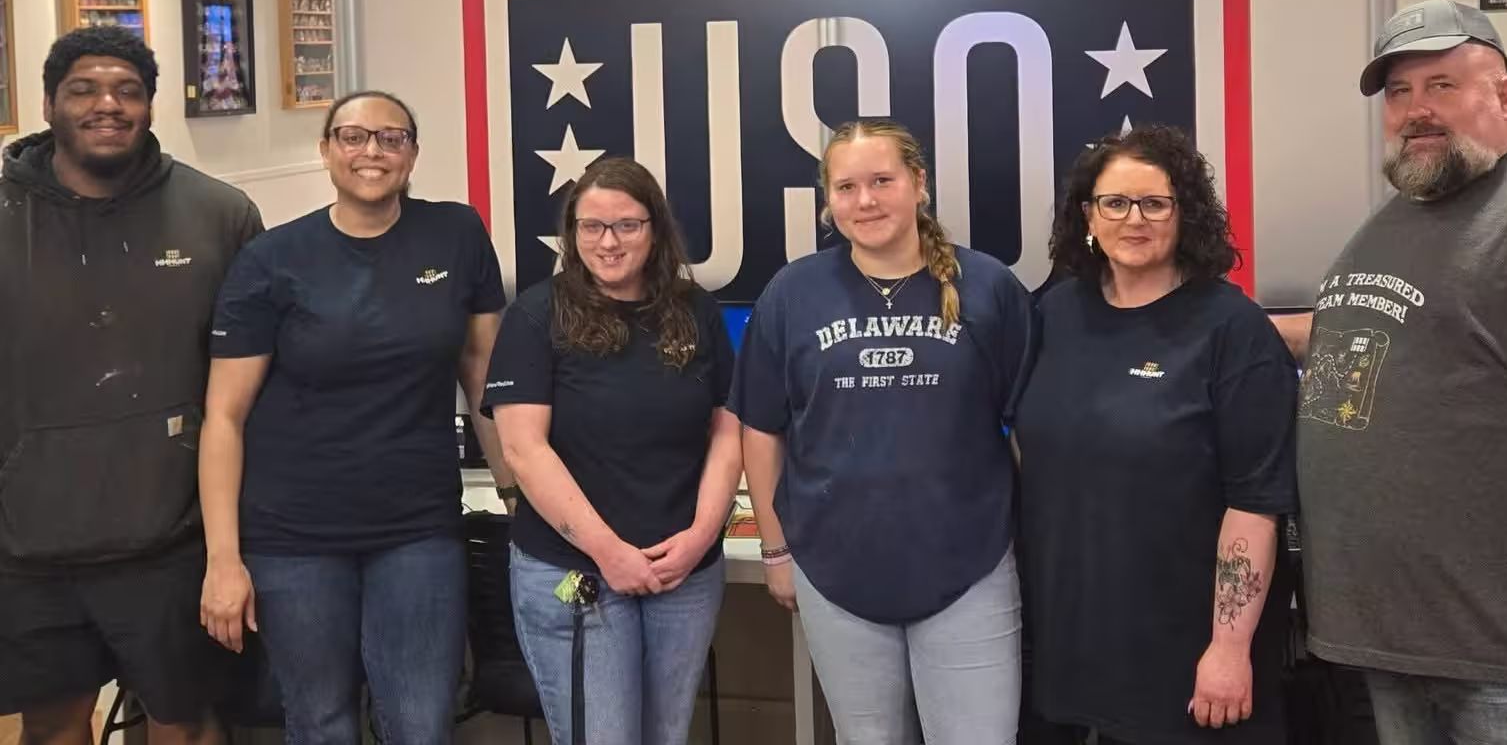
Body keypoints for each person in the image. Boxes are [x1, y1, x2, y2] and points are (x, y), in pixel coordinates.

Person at [196, 91, 506, 745]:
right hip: (293, 538)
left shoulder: (456, 234)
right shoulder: (272, 260)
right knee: (320, 722)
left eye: (391, 138)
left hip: (418, 528)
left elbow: (483, 374)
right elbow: (223, 416)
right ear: (327, 150)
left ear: (413, 153)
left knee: (421, 725)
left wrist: (516, 492)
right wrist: (224, 558)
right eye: (354, 136)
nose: (373, 151)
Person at [730, 119, 1034, 744]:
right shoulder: (792, 294)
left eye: (882, 181)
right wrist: (776, 549)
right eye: (846, 187)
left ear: (919, 184)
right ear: (827, 200)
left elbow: (1031, 423)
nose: (865, 201)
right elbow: (761, 430)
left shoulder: (989, 288)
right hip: (835, 569)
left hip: (968, 567)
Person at [0, 26, 262, 745]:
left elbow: (252, 384)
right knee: (51, 726)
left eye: (127, 91)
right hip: (27, 545)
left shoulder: (221, 215)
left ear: (150, 106)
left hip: (173, 540)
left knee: (184, 723)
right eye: (83, 89)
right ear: (49, 103)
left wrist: (230, 546)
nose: (106, 105)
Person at [1295, 0, 1507, 743]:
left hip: (1498, 653)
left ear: (1503, 95)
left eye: (1441, 85)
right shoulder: (1399, 214)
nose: (1415, 110)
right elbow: (1388, 331)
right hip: (1395, 637)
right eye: (1399, 93)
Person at [1012, 124, 1299, 745]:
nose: (1132, 219)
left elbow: (1255, 506)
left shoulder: (1232, 330)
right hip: (1071, 645)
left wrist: (1228, 648)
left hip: (1186, 656)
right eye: (1114, 202)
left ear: (1185, 214)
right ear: (1088, 215)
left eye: (1155, 203)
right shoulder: (1054, 315)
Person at [482, 157, 741, 745]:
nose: (608, 241)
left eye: (627, 224)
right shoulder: (536, 314)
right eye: (592, 226)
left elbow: (729, 428)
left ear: (655, 229)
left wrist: (702, 535)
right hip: (576, 571)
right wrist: (609, 552)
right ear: (572, 233)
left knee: (664, 734)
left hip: (685, 573)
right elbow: (524, 449)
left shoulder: (694, 310)